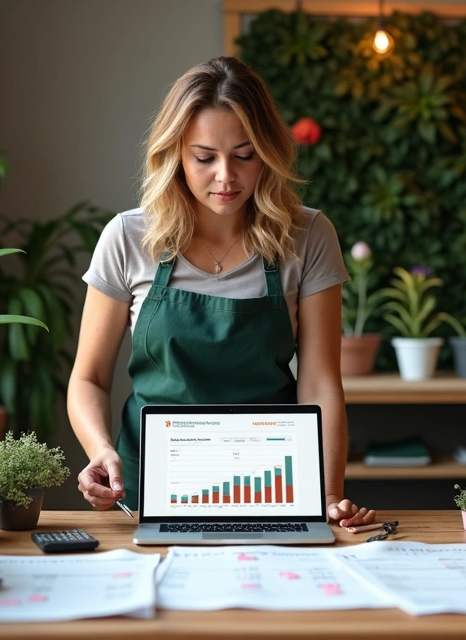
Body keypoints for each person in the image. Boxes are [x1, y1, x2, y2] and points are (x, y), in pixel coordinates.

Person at [68, 56, 375, 528]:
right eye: (205, 157)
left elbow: (319, 384)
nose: (226, 176)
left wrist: (327, 494)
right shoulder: (128, 238)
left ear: (268, 152)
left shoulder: (309, 235)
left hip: (274, 490)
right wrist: (100, 450)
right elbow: (88, 378)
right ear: (175, 154)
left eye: (244, 154)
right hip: (146, 494)